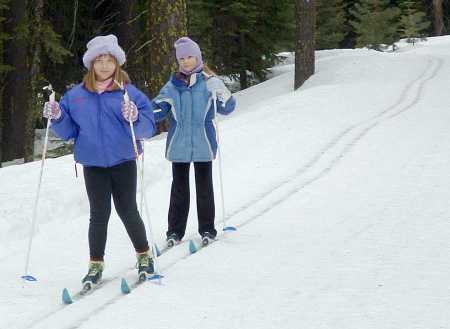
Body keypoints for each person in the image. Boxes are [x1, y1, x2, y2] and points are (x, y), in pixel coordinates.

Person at [42, 34, 156, 286]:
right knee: (99, 213)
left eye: (109, 60)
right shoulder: (76, 96)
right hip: (93, 164)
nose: (104, 65)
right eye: (99, 60)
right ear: (91, 64)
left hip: (123, 159)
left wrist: (136, 116)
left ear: (117, 64)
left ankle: (144, 256)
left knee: (127, 210)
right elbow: (69, 130)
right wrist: (58, 115)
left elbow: (149, 128)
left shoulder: (128, 93)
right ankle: (95, 264)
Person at [153, 37, 236, 247]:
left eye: (190, 57)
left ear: (198, 57)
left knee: (204, 187)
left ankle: (207, 228)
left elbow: (228, 108)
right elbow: (157, 110)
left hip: (203, 141)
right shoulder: (172, 84)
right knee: (179, 189)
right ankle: (174, 231)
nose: (186, 61)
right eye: (182, 58)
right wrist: (139, 111)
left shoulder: (209, 81)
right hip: (179, 142)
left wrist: (221, 89)